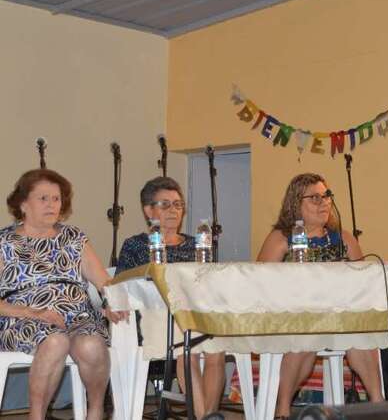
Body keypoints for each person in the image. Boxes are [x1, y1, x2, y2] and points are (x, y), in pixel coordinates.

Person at [0, 169, 125, 420]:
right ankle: (36, 416)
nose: (51, 204)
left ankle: (95, 410)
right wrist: (31, 312)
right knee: (56, 341)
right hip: (24, 319)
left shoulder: (73, 237)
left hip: (77, 316)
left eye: (56, 199)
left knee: (92, 345)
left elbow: (105, 282)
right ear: (23, 204)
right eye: (43, 198)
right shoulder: (5, 242)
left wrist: (112, 302)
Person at [257, 173, 383, 419]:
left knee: (361, 333)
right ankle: (282, 410)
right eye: (314, 198)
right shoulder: (282, 238)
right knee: (305, 335)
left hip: (338, 317)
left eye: (326, 196)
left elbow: (364, 281)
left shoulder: (343, 238)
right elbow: (260, 283)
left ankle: (379, 406)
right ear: (296, 203)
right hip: (292, 318)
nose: (323, 202)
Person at [116, 176, 226, 418]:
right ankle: (201, 417)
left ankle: (208, 415)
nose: (174, 210)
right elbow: (120, 284)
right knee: (189, 349)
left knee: (216, 349)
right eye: (165, 204)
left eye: (177, 204)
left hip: (195, 314)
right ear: (149, 211)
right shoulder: (136, 245)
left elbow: (211, 284)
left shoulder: (198, 244)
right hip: (155, 318)